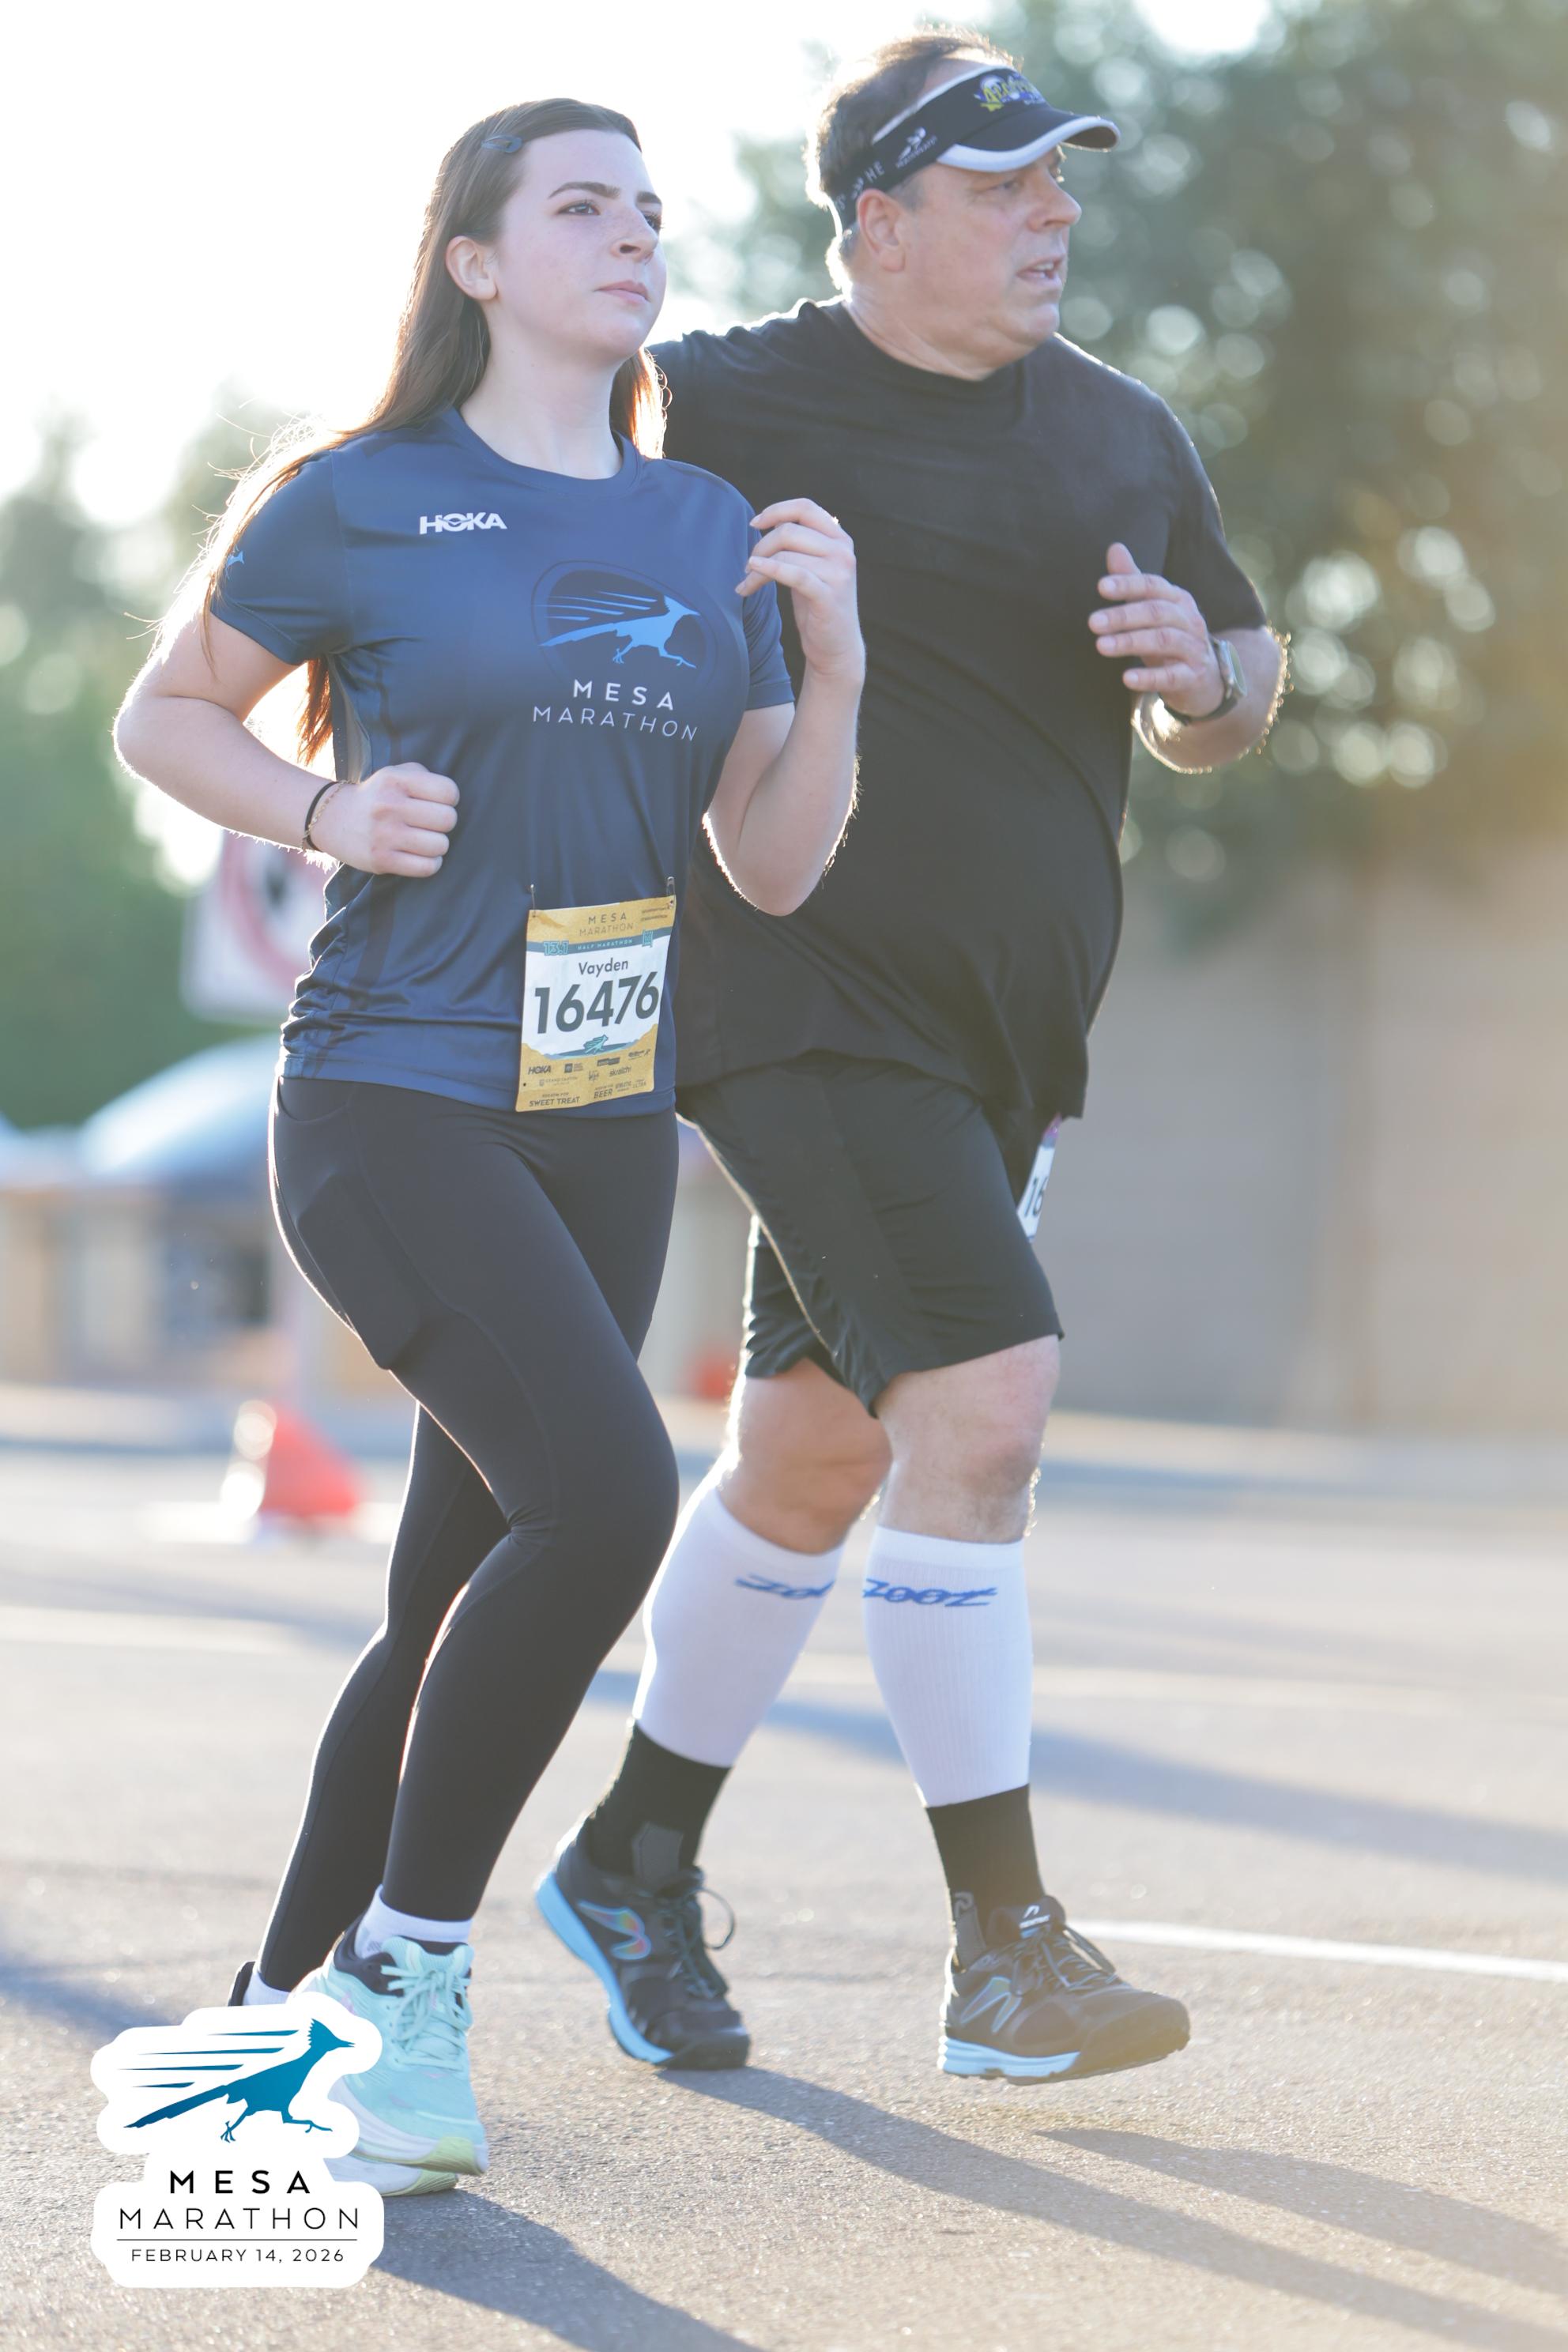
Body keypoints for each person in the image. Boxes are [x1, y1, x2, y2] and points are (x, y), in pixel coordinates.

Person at [113, 96, 861, 2194]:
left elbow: (774, 863)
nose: (634, 236)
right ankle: (405, 1981)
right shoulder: (361, 498)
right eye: (582, 205)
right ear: (473, 260)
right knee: (610, 1498)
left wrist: (837, 669)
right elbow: (166, 715)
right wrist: (325, 811)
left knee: (447, 1599)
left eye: (650, 208)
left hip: (602, 1124)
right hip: (392, 1099)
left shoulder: (707, 526)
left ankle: (279, 2025)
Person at [536, 35, 1287, 2085]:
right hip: (796, 999)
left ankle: (629, 1859)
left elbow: (1243, 673)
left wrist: (1208, 678)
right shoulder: (715, 400)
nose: (1057, 215)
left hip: (1006, 1048)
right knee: (987, 1402)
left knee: (817, 1456)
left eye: (1063, 182)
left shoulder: (1123, 432)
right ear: (875, 222)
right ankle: (1004, 1953)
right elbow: (510, 480)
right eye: (1004, 187)